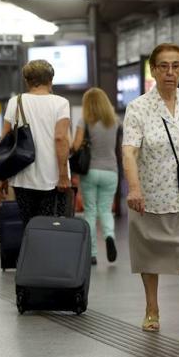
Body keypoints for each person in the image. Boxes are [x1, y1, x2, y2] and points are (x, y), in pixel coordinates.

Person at [123, 43, 179, 337]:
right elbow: (129, 152)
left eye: (175, 66)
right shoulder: (138, 108)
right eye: (163, 66)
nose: (170, 72)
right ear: (154, 70)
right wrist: (134, 188)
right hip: (149, 198)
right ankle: (151, 309)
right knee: (149, 254)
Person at [0, 59, 71, 224]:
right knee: (50, 228)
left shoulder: (15, 102)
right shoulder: (61, 103)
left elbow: (5, 141)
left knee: (29, 226)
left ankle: (30, 250)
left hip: (22, 177)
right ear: (50, 80)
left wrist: (3, 176)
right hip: (53, 179)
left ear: (27, 81)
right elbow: (60, 138)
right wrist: (64, 175)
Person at [71, 87, 120, 265]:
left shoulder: (84, 120)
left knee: (90, 211)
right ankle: (109, 236)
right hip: (111, 170)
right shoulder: (114, 121)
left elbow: (75, 146)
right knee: (105, 210)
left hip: (90, 170)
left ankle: (91, 253)